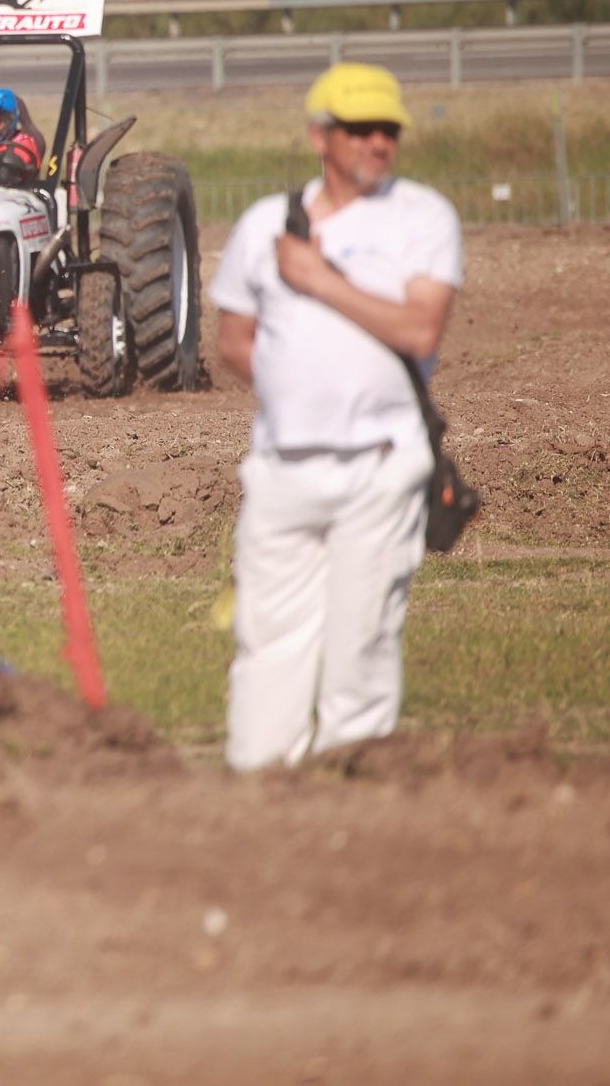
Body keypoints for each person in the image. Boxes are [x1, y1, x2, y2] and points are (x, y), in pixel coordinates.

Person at [206, 63, 462, 770]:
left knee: (361, 641)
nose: (379, 143)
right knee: (268, 640)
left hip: (379, 463)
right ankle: (260, 785)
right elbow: (234, 340)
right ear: (322, 137)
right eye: (361, 130)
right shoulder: (266, 223)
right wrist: (300, 392)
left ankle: (356, 793)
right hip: (285, 467)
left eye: (390, 130)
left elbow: (420, 332)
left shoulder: (422, 217)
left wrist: (318, 279)